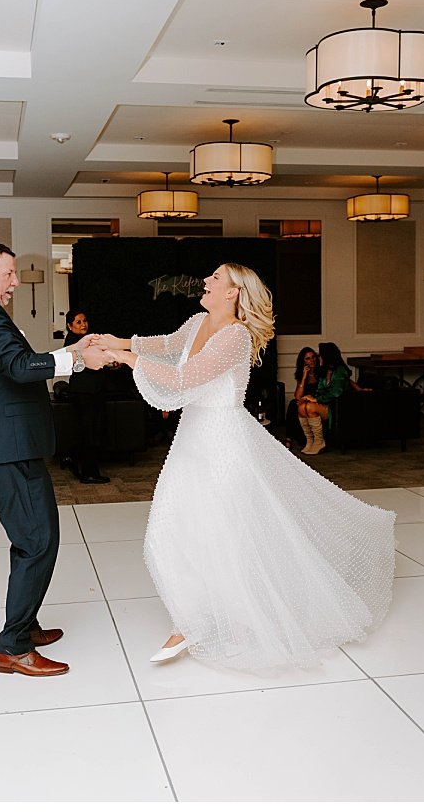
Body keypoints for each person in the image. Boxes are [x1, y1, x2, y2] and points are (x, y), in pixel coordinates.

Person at [91, 263, 396, 668]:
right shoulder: (198, 320)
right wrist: (120, 340)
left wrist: (121, 357)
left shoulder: (235, 336)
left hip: (223, 445)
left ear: (234, 293)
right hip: (190, 441)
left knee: (219, 534)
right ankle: (197, 617)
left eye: (215, 279)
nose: (206, 281)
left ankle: (206, 622)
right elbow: (166, 344)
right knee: (167, 530)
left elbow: (186, 376)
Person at [0, 242, 109, 677]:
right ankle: (13, 646)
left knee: (34, 537)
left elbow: (15, 363)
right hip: (5, 448)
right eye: (9, 274)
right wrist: (77, 359)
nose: (16, 283)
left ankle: (27, 622)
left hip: (12, 444)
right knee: (37, 541)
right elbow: (20, 367)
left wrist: (75, 350)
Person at [61, 308, 110, 484]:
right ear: (69, 325)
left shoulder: (87, 341)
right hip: (85, 393)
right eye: (79, 322)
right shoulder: (75, 342)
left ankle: (73, 459)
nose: (83, 325)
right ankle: (88, 472)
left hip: (93, 391)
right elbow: (88, 362)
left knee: (91, 431)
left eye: (85, 321)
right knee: (89, 432)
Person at [297, 341, 351, 455]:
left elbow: (336, 392)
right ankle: (310, 441)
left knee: (310, 407)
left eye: (320, 356)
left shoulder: (340, 371)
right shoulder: (325, 371)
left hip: (334, 407)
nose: (317, 358)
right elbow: (320, 390)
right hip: (324, 403)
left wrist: (316, 400)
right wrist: (311, 397)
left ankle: (319, 442)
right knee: (301, 407)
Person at [285, 346, 319, 451]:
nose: (312, 360)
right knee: (293, 404)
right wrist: (304, 377)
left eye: (313, 357)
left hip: (316, 402)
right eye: (308, 358)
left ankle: (300, 439)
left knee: (298, 405)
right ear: (303, 362)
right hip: (304, 403)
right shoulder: (303, 375)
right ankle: (289, 438)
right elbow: (298, 396)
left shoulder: (322, 372)